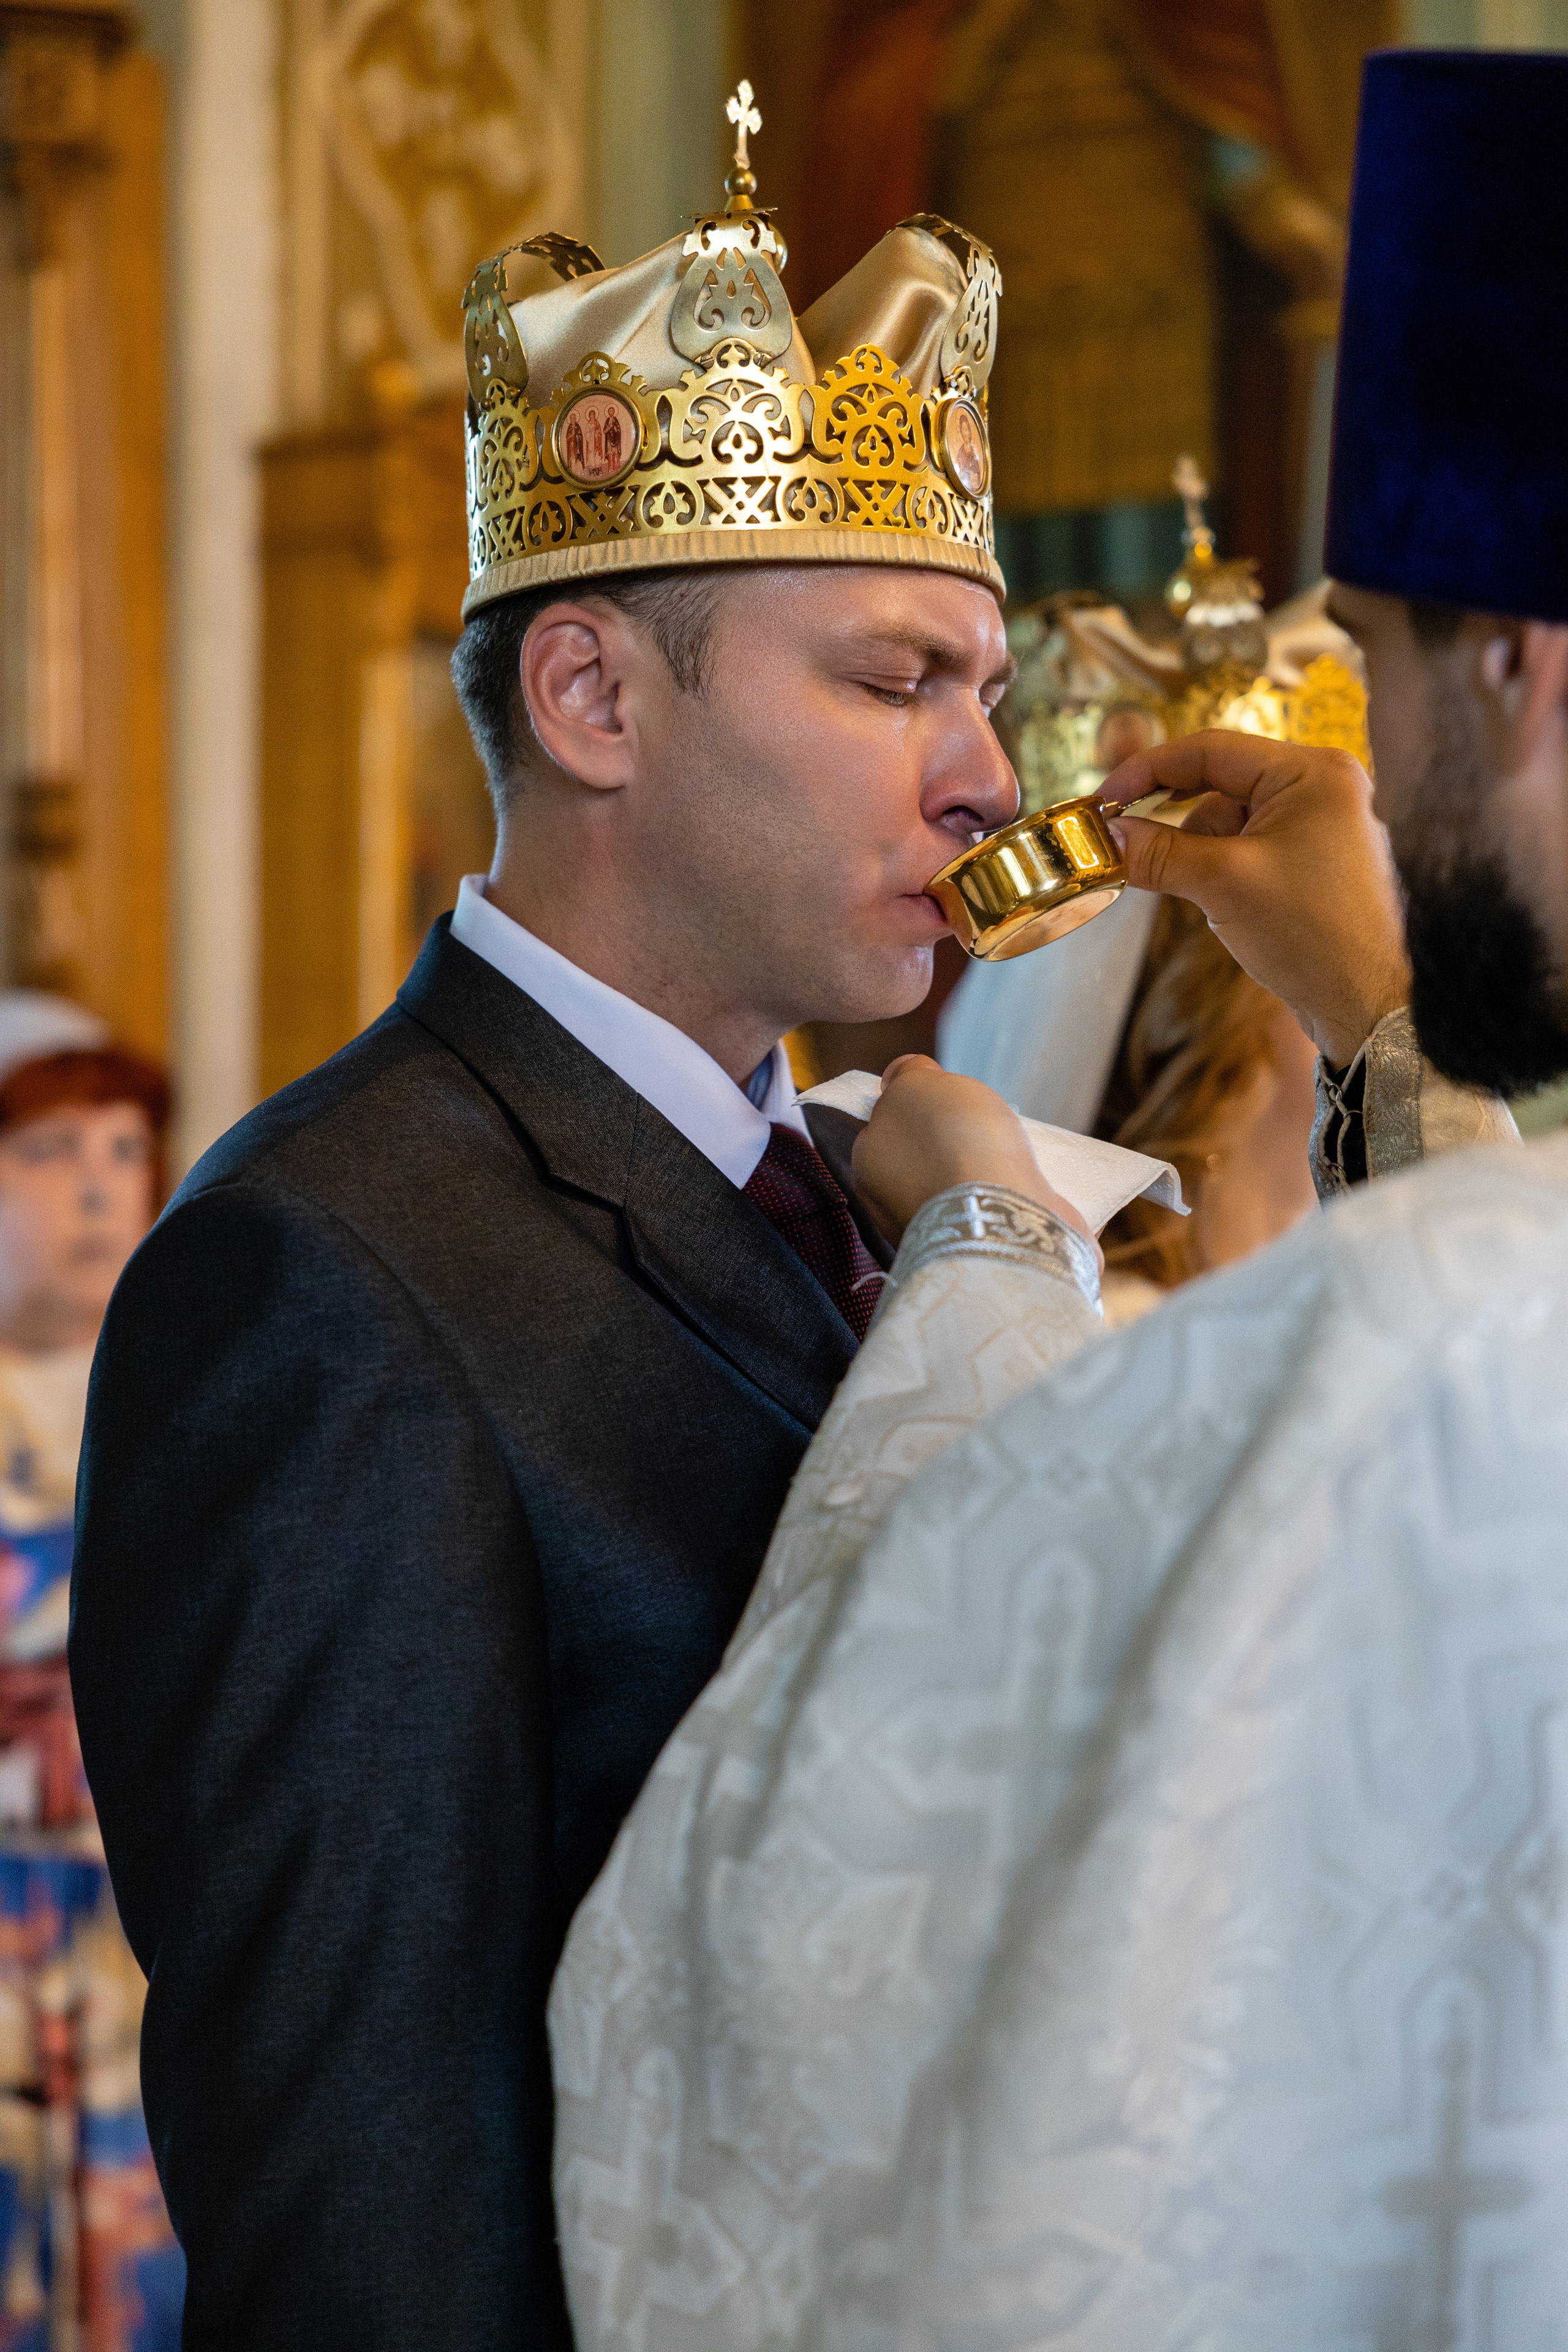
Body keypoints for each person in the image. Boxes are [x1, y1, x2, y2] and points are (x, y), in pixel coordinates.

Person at [549, 51, 1568, 2350]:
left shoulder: (1465, 1324)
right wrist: (1384, 1030)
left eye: (1383, 668)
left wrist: (991, 1239)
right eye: (894, 676)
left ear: (1513, 665)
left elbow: (804, 1921)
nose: (977, 775)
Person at [68, 94, 1018, 2351]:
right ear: (592, 696)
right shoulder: (324, 1277)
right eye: (895, 680)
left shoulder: (853, 1185)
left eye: (989, 692)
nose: (989, 777)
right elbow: (367, 2206)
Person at [0, 995, 182, 2351]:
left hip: (142, 1953)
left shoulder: (194, 1403)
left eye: (126, 1150)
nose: (98, 1188)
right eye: (52, 1150)